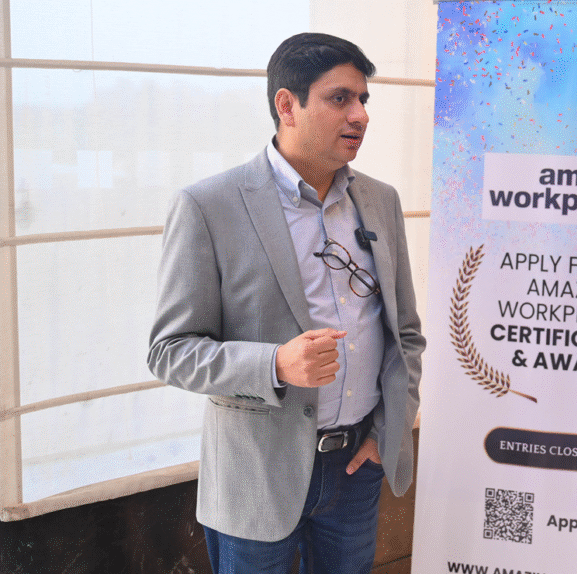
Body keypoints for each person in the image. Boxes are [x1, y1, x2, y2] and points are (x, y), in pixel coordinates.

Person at [148, 32, 425, 574]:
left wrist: (387, 433)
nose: (360, 115)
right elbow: (170, 351)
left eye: (363, 99)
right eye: (339, 98)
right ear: (286, 105)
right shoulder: (208, 206)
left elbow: (406, 334)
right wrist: (275, 363)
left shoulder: (380, 201)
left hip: (356, 469)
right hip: (256, 478)